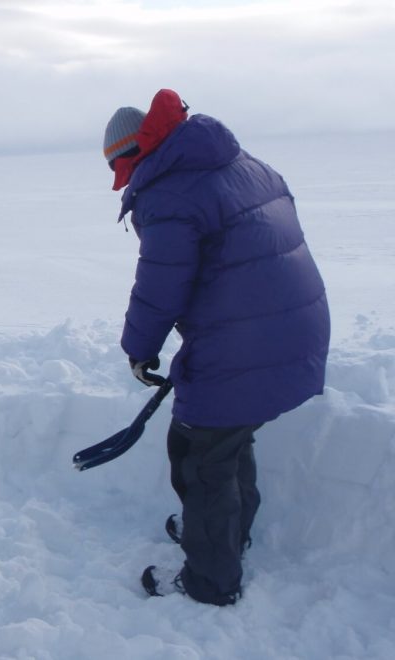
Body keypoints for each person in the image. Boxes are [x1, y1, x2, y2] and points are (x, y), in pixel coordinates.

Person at [102, 90, 330, 605]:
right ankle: (225, 537)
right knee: (223, 439)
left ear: (131, 155)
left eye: (121, 169)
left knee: (198, 456)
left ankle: (210, 580)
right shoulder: (238, 163)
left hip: (247, 342)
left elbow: (161, 283)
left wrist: (138, 349)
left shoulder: (169, 193)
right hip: (287, 329)